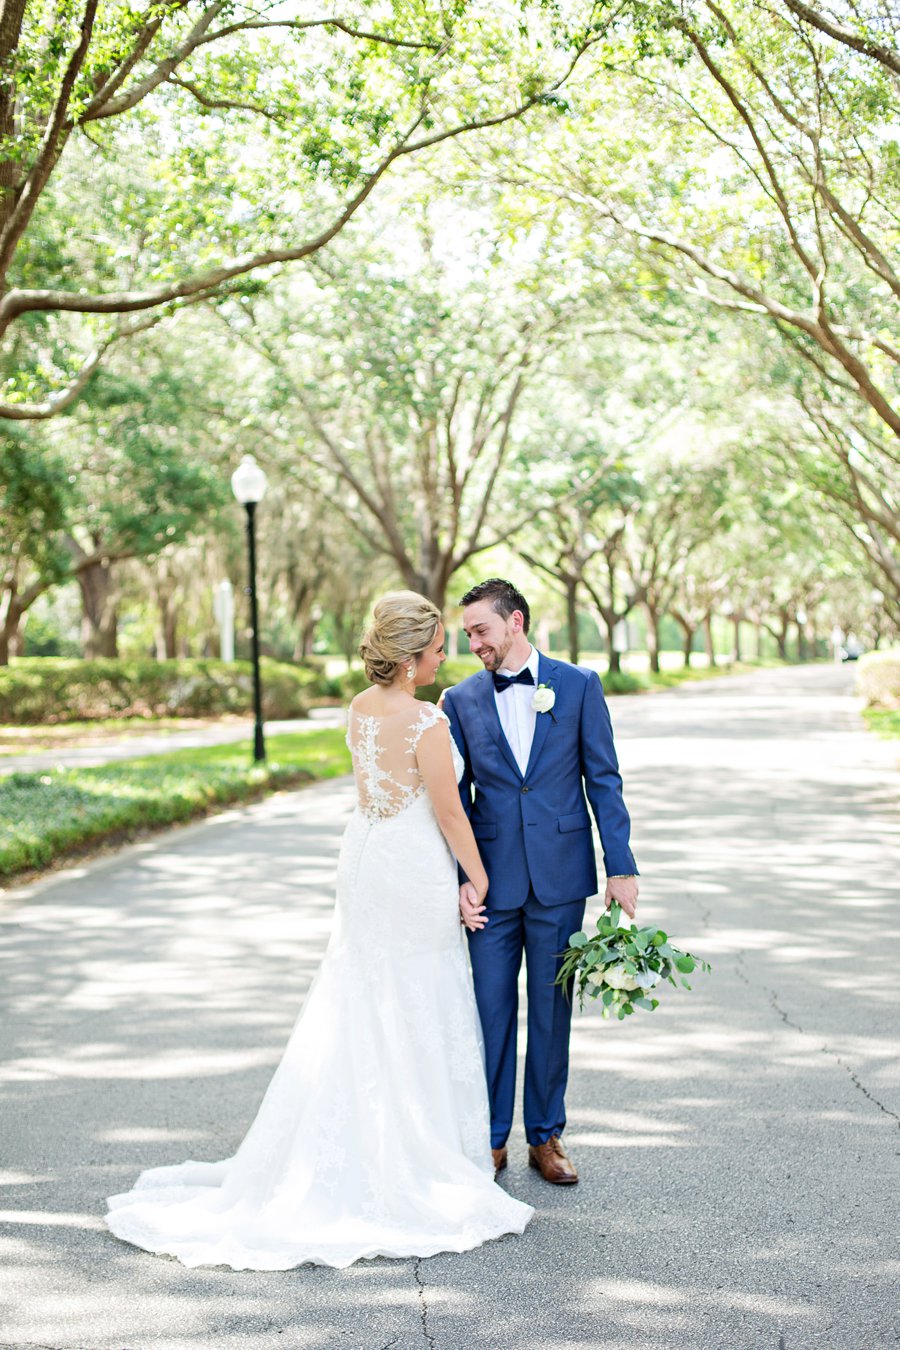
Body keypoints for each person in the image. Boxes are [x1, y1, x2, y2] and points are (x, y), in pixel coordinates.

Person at [106, 591, 532, 1270]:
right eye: (438, 647)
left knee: (363, 992)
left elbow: (380, 792)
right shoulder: (427, 723)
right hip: (412, 864)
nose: (446, 656)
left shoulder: (361, 711)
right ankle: (413, 1153)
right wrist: (478, 879)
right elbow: (450, 816)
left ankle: (358, 1137)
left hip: (367, 859)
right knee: (416, 994)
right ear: (413, 654)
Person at [442, 579, 638, 1186]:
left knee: (553, 1014)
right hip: (490, 885)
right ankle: (492, 1138)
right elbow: (453, 800)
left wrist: (621, 866)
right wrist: (459, 881)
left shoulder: (578, 686)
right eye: (468, 632)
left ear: (516, 622)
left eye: (482, 630)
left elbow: (603, 779)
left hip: (560, 878)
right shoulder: (459, 700)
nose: (473, 642)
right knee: (490, 1011)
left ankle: (546, 1137)